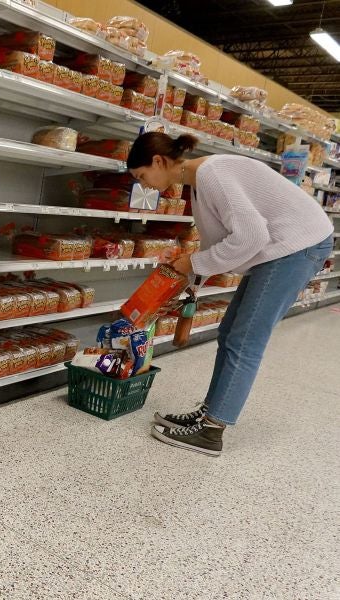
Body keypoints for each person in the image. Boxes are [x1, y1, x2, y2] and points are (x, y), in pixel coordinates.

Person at [126, 132, 335, 456]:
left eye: (142, 176)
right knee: (230, 332)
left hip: (295, 246)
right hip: (280, 249)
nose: (145, 185)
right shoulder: (199, 182)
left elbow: (250, 237)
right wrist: (189, 271)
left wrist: (191, 263)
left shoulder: (213, 175)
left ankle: (211, 431)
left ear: (158, 161)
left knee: (245, 339)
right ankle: (211, 409)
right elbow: (219, 243)